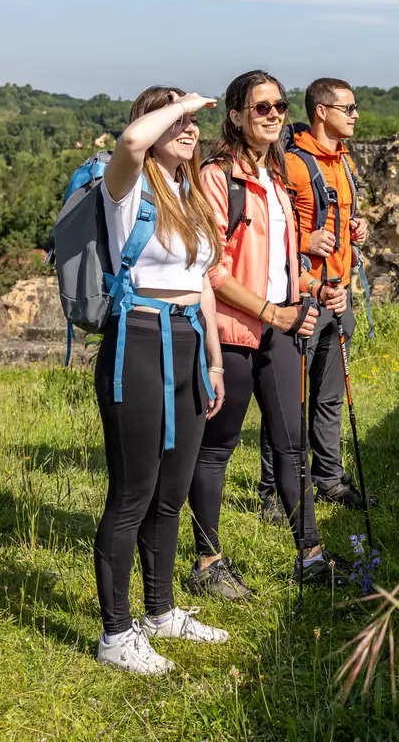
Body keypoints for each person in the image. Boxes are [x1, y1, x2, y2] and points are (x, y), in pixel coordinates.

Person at [186, 70, 350, 599]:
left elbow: (276, 263)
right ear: (235, 116)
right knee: (217, 448)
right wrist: (271, 312)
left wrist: (312, 286)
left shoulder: (277, 175)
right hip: (233, 330)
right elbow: (211, 270)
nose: (274, 114)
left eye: (279, 105)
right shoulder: (216, 177)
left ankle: (312, 556)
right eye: (261, 107)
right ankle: (208, 562)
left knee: (291, 444)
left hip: (281, 324)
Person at [94, 87, 229, 675]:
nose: (190, 124)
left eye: (194, 118)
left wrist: (216, 360)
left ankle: (160, 611)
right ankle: (115, 634)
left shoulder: (188, 192)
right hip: (139, 340)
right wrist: (183, 103)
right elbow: (129, 141)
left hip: (189, 343)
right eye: (174, 114)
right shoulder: (126, 185)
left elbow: (201, 284)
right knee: (132, 494)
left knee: (172, 491)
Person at [258, 76, 370, 523]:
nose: (356, 115)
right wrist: (308, 241)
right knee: (288, 400)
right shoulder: (293, 164)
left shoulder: (345, 164)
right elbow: (273, 230)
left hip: (337, 294)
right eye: (349, 107)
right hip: (301, 295)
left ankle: (329, 478)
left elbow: (341, 221)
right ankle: (272, 490)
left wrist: (354, 229)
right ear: (322, 111)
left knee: (328, 397)